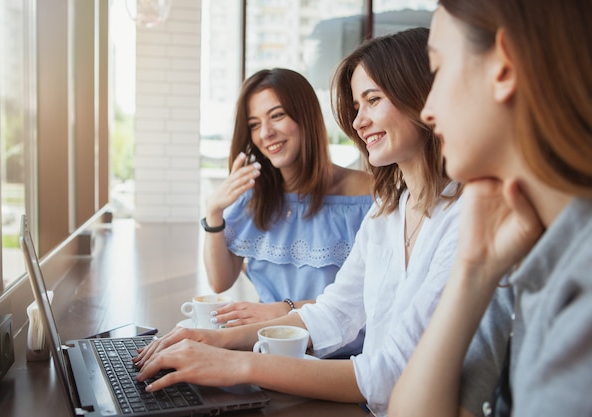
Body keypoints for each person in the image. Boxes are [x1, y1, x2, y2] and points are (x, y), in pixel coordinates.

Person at [134, 27, 490, 415]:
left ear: (424, 98)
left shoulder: (466, 215)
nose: (358, 122)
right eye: (357, 106)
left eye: (373, 100)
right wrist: (214, 340)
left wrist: (235, 362)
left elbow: (390, 374)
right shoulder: (388, 209)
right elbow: (334, 313)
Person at [388, 1, 592, 417]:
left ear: (504, 66)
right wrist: (473, 271)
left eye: (438, 69)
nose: (427, 109)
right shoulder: (523, 255)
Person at [202, 68, 372, 334]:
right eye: (254, 124)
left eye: (277, 116)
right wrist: (213, 212)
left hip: (341, 352)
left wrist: (282, 309)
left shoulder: (366, 194)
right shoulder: (254, 195)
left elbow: (371, 299)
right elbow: (219, 281)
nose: (265, 133)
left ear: (306, 116)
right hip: (269, 343)